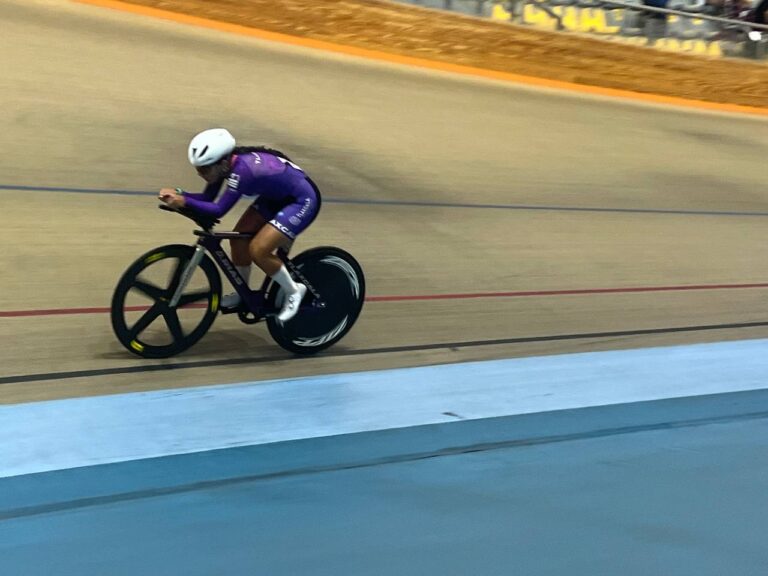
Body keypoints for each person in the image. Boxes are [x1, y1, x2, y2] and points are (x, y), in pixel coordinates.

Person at [158, 128, 321, 323]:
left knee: (258, 250)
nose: (200, 174)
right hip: (275, 198)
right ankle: (244, 293)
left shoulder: (243, 172)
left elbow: (218, 210)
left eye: (204, 169)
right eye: (198, 169)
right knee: (238, 240)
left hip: (301, 201)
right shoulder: (224, 166)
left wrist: (184, 201)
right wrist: (179, 193)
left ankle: (294, 290)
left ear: (223, 162)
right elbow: (208, 197)